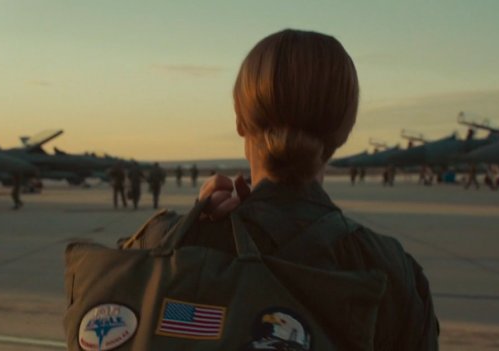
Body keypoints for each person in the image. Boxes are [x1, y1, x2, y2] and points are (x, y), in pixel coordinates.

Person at [120, 29, 438, 349]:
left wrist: (190, 235)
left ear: (240, 123)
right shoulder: (390, 269)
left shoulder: (162, 245)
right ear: (344, 130)